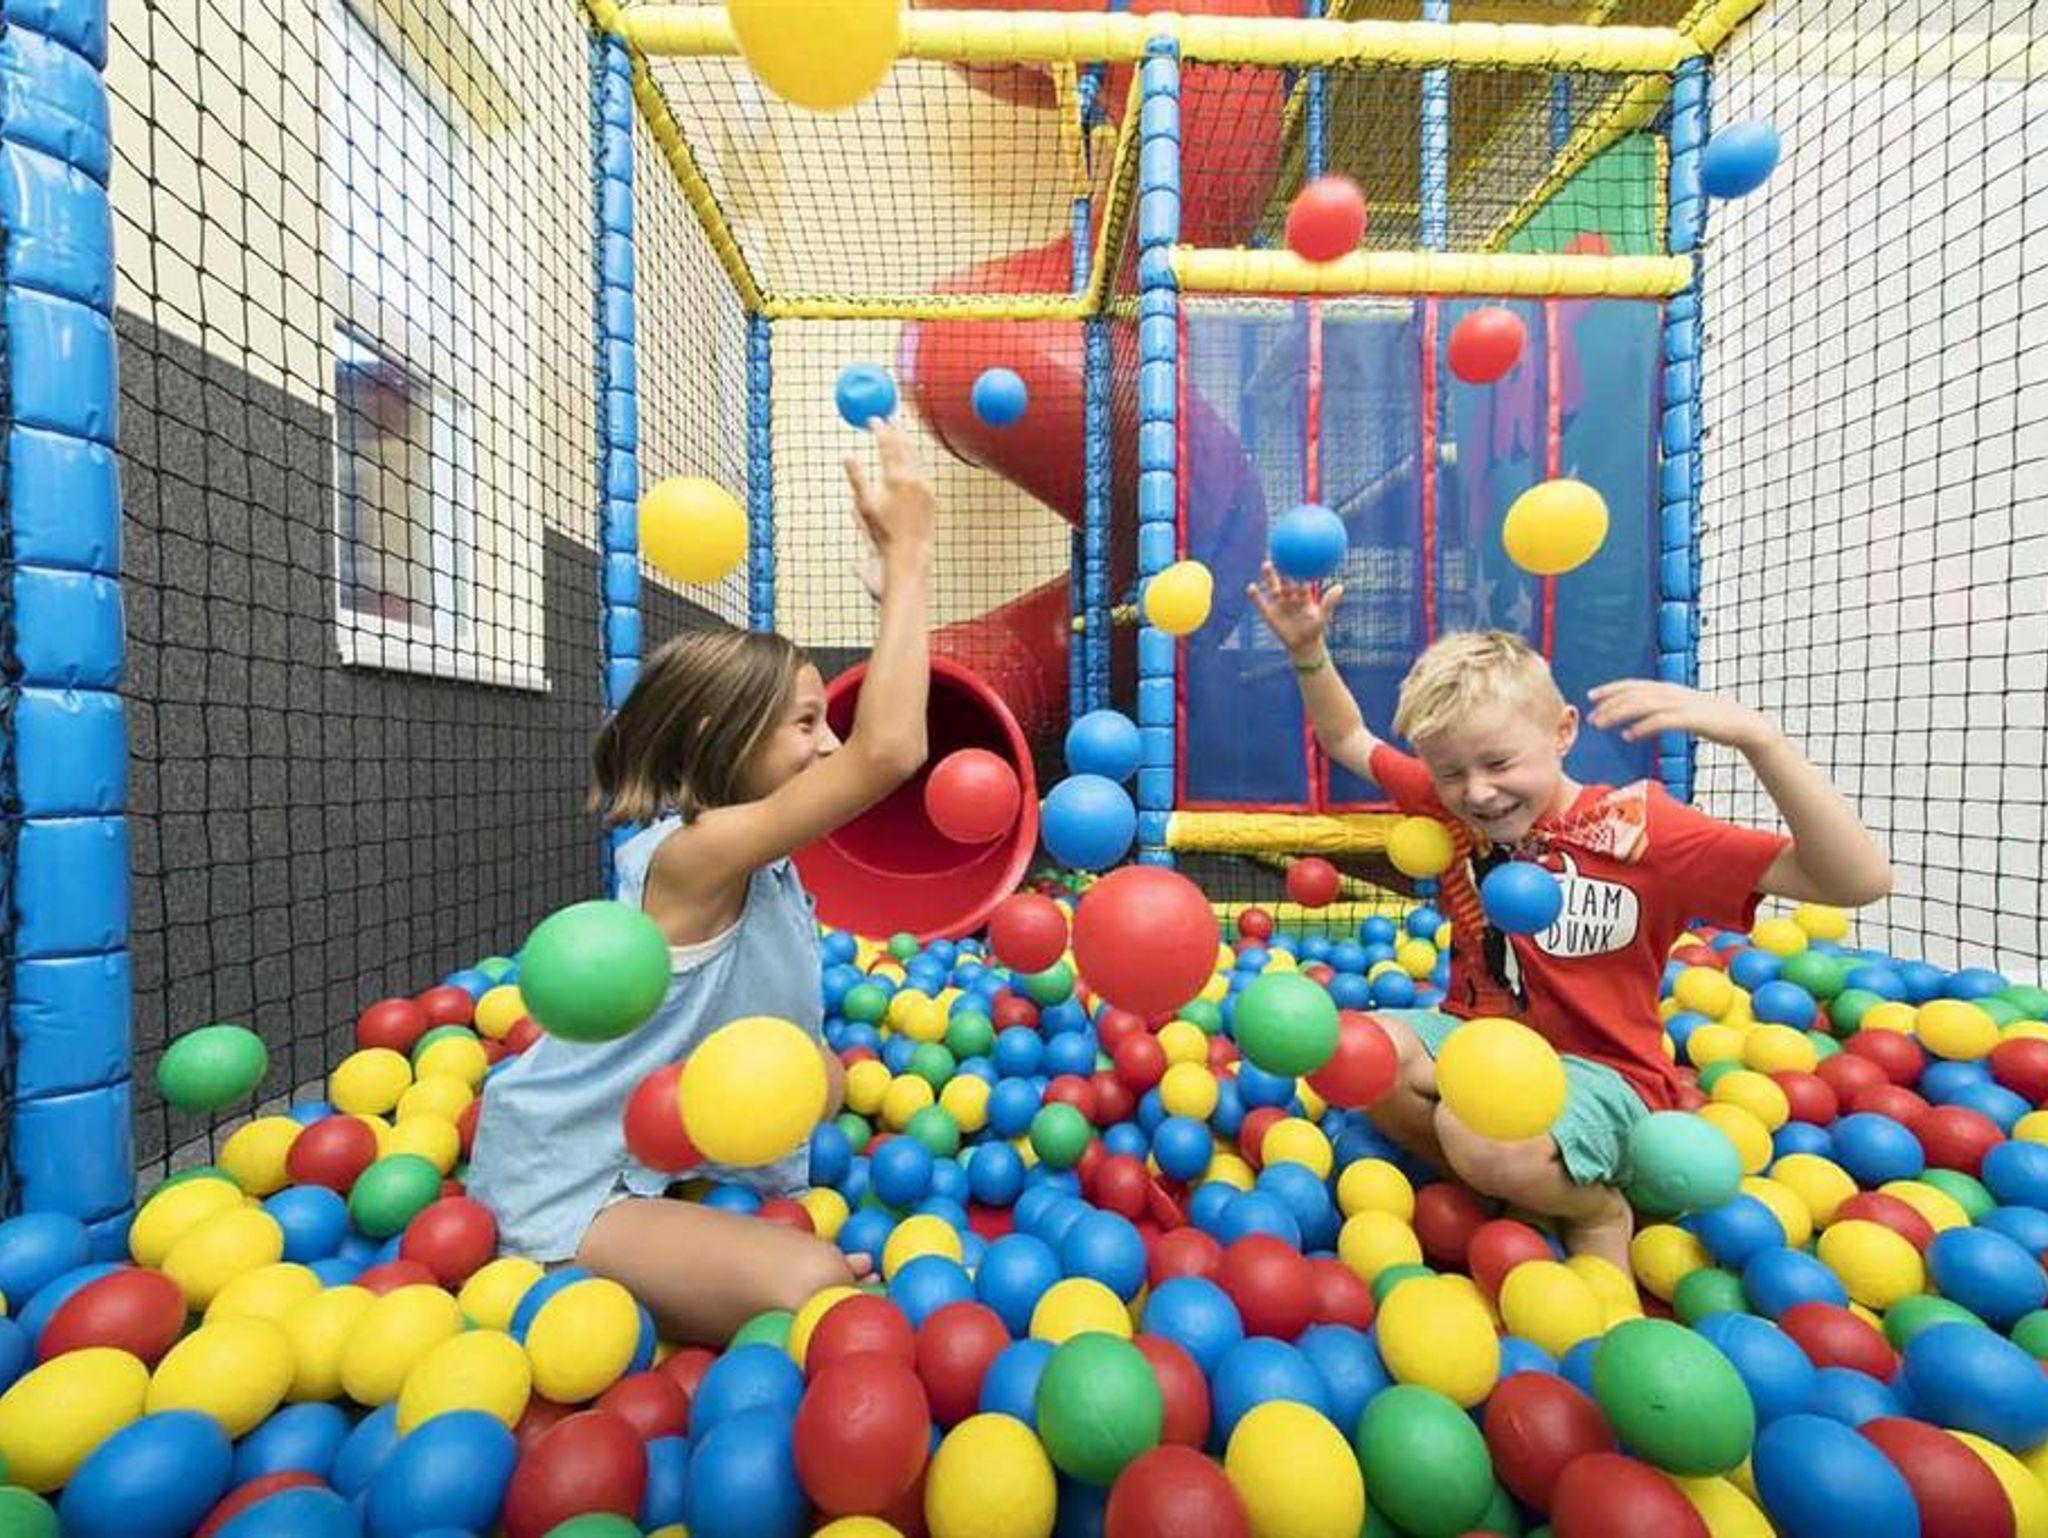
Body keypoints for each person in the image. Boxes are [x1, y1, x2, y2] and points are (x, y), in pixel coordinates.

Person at [1249, 564, 1891, 1270]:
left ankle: (1592, 1207)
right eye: (1452, 773)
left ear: (1562, 733)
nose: (1479, 792)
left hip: (1605, 1072)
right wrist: (1307, 650)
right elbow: (1347, 738)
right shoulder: (1448, 803)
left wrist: (1760, 741)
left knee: (1479, 1129)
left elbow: (1856, 881)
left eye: (1499, 762)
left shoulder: (1640, 831)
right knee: (1349, 1052)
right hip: (1477, 1038)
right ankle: (1503, 1189)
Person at [469, 421, 936, 1343]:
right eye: (807, 724)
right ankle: (573, 1260)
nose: (831, 744)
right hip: (575, 1176)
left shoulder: (755, 853)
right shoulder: (693, 854)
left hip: (670, 1132)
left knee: (825, 1079)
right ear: (721, 737)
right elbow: (890, 749)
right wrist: (913, 552)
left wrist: (891, 599)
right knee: (815, 1287)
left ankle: (691, 1218)